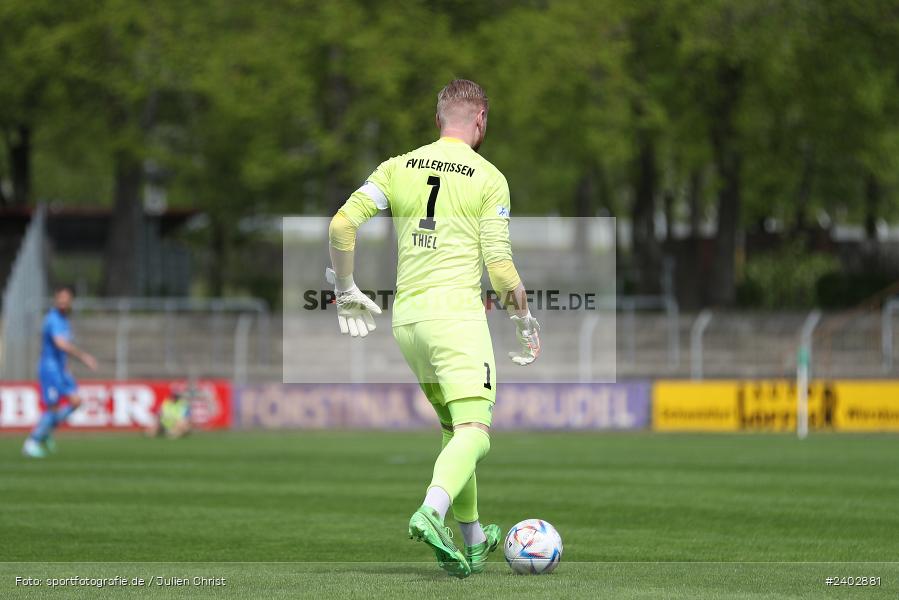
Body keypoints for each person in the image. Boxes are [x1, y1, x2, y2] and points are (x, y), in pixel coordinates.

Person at [325, 79, 540, 578]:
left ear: (438, 118)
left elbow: (341, 225)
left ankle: (473, 538)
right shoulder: (488, 177)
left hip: (408, 323)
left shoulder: (397, 166)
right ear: (481, 119)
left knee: (454, 430)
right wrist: (523, 319)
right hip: (456, 319)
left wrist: (346, 288)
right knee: (477, 434)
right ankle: (431, 511)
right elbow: (501, 267)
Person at [23, 285, 97, 458]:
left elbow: (61, 349)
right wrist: (84, 356)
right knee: (54, 407)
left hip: (60, 369)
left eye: (66, 299)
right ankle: (31, 442)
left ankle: (47, 430)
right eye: (60, 298)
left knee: (76, 401)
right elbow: (60, 344)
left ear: (70, 301)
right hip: (50, 370)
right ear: (55, 300)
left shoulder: (64, 320)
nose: (63, 302)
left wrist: (66, 366)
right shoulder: (53, 319)